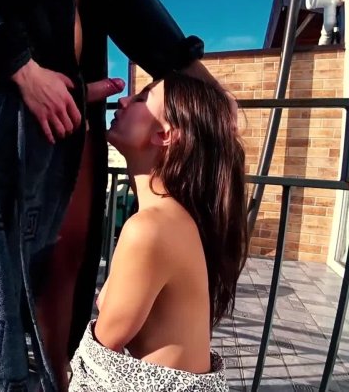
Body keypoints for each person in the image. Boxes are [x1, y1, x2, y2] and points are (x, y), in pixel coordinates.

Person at [0, 0, 231, 390]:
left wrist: (212, 98)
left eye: (141, 98)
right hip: (5, 119)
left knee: (63, 276)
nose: (131, 100)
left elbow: (137, 9)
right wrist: (22, 70)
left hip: (77, 121)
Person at [69, 73, 247, 391]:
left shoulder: (151, 229)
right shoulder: (173, 218)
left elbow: (96, 362)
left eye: (140, 99)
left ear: (164, 135)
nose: (123, 100)